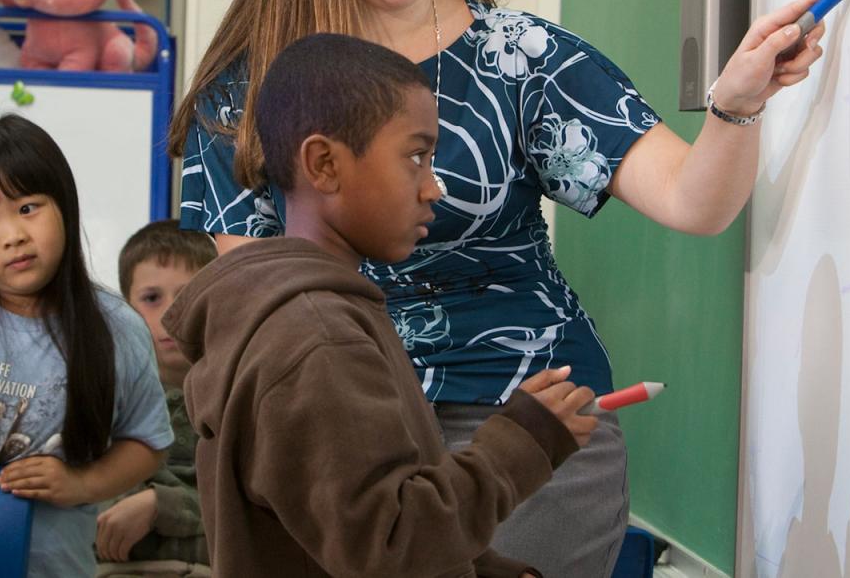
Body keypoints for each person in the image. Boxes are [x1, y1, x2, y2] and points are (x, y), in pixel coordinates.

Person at [169, 0, 827, 576]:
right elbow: (253, 312)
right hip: (341, 432)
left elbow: (696, 201)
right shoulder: (243, 89)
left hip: (526, 422)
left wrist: (735, 107)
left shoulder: (518, 55)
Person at [165, 32, 597, 577]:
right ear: (323, 164)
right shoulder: (317, 338)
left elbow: (347, 530)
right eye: (415, 157)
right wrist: (524, 442)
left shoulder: (320, 316)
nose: (433, 187)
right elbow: (388, 543)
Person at [0, 114, 174, 577]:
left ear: (65, 206)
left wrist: (82, 483)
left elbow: (148, 441)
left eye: (27, 208)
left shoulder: (117, 327)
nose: (13, 235)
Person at [94, 220, 215, 575]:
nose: (170, 313)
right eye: (151, 298)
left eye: (187, 295)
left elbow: (257, 517)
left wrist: (164, 506)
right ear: (126, 308)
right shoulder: (103, 402)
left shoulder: (239, 402)